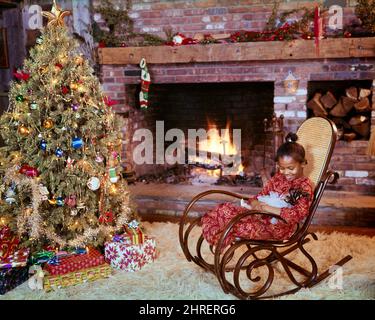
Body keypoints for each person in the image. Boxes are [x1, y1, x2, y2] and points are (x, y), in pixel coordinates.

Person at [201, 132, 314, 248]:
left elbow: (297, 215)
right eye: (282, 168)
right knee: (222, 210)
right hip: (259, 215)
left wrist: (267, 208)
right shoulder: (279, 178)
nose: (286, 172)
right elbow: (262, 195)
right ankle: (220, 240)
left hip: (278, 227)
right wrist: (255, 203)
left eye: (291, 168)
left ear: (303, 163)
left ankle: (226, 238)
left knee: (232, 224)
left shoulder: (304, 186)